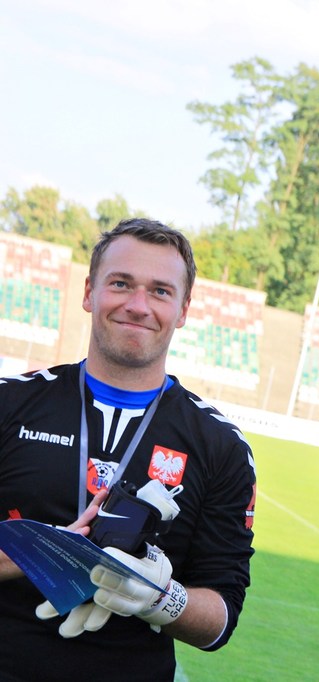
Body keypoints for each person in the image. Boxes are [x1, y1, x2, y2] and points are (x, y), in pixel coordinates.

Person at [0, 219, 257, 682]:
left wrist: (159, 598)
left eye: (160, 291)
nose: (138, 306)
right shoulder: (8, 404)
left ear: (183, 309)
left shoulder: (221, 446)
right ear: (89, 292)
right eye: (120, 283)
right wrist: (43, 552)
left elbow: (221, 618)